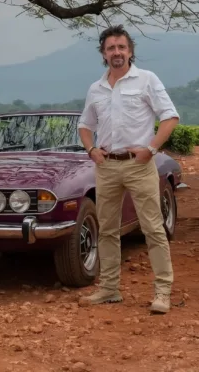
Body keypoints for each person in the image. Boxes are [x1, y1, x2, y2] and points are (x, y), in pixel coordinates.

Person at [77, 25, 179, 314]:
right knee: (107, 229)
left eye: (121, 47)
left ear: (130, 51)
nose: (117, 52)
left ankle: (162, 292)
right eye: (111, 48)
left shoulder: (147, 80)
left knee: (153, 228)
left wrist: (151, 149)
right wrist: (91, 150)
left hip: (139, 165)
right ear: (103, 54)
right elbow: (85, 124)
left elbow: (170, 117)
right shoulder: (96, 88)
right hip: (107, 167)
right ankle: (109, 289)